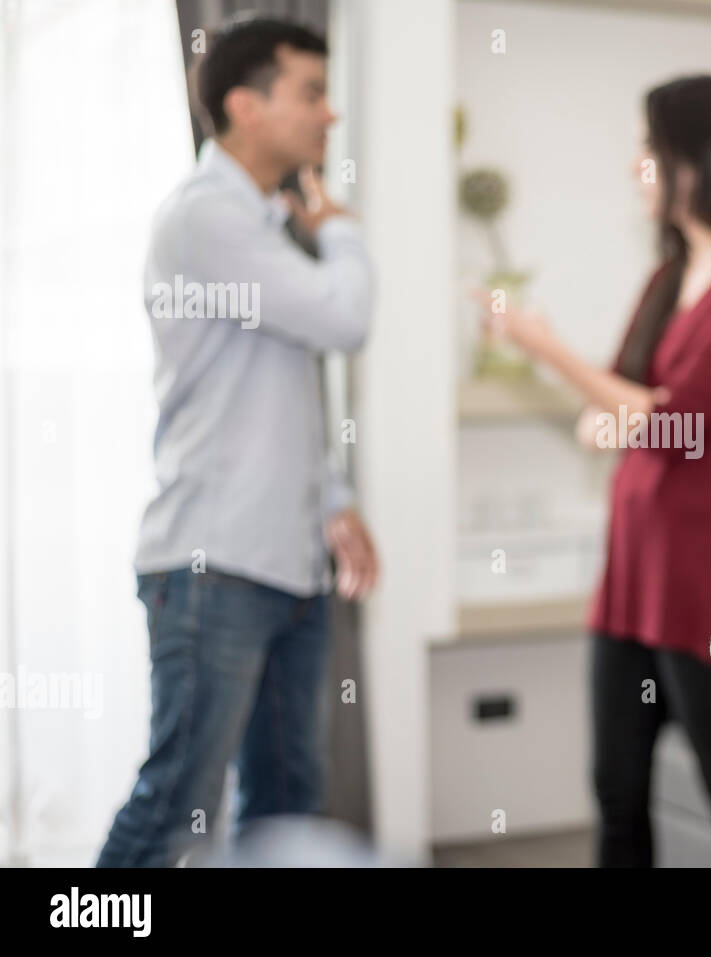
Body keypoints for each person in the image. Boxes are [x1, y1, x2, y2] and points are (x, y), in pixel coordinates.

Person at [480, 75, 711, 867]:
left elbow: (669, 419)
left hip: (707, 576)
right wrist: (617, 409)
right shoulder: (670, 271)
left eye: (646, 149)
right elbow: (624, 396)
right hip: (632, 569)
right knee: (616, 790)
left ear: (696, 157)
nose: (637, 168)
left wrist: (546, 348)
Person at [96, 16, 377, 867]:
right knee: (174, 802)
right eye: (312, 94)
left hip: (288, 564)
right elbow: (343, 315)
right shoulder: (204, 218)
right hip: (211, 564)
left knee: (286, 809)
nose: (330, 117)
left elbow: (277, 386)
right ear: (245, 107)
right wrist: (343, 227)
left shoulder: (260, 223)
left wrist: (333, 500)